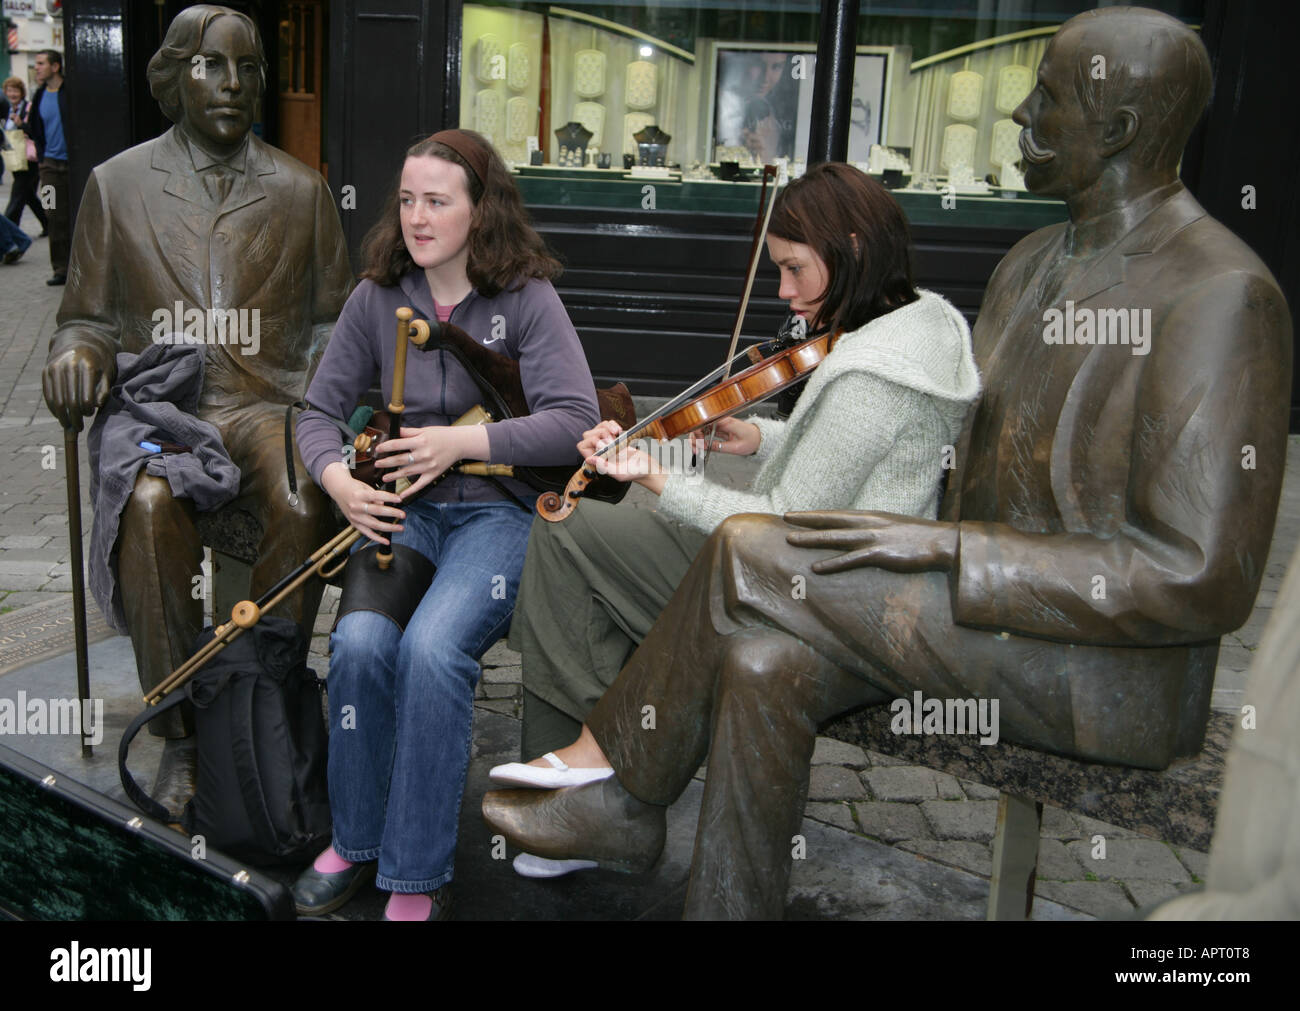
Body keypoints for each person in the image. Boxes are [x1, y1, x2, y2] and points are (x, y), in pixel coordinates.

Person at [481, 7, 1293, 919]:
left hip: (1101, 661)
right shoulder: (1027, 262)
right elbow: (953, 448)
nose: (1018, 115)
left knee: (755, 548)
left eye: (1047, 98)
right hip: (975, 607)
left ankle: (620, 786)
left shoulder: (1223, 294)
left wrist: (946, 551)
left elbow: (1203, 576)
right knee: (758, 659)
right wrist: (786, 445)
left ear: (1119, 130)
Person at [495, 161, 981, 878]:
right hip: (827, 567)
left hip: (810, 590)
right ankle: (583, 783)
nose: (782, 291)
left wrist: (658, 477)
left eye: (794, 269)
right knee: (576, 527)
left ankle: (592, 784)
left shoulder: (873, 372)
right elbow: (859, 456)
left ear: (850, 245)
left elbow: (777, 521)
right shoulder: (919, 320)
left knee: (571, 529)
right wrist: (761, 437)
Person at [42, 5, 353, 812]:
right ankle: (182, 730)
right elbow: (84, 318)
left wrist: (327, 384)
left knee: (303, 491)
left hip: (263, 404)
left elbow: (332, 321)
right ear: (175, 77)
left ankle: (262, 701)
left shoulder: (301, 190)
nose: (231, 84)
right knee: (146, 505)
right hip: (158, 407)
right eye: (211, 65)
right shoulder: (117, 185)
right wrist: (76, 357)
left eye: (247, 69)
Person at [288, 128, 601, 921]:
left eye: (438, 200)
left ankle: (418, 871)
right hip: (405, 511)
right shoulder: (376, 296)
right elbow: (318, 412)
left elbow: (575, 420)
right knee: (359, 645)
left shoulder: (527, 297)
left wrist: (461, 441)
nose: (417, 217)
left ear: (480, 209)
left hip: (498, 517)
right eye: (406, 199)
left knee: (432, 650)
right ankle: (355, 841)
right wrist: (338, 483)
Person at [26, 50, 69, 285]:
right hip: (49, 167)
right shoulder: (40, 94)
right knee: (53, 215)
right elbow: (34, 127)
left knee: (76, 215)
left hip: (72, 165)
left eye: (41, 63)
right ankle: (60, 268)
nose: (37, 67)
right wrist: (42, 157)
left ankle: (78, 267)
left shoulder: (69, 92)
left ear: (55, 66)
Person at [4, 77, 49, 234]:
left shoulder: (29, 108)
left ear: (22, 92)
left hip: (29, 159)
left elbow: (35, 131)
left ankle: (9, 234)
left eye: (15, 90)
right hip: (14, 158)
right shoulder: (6, 110)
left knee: (17, 197)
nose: (12, 94)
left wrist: (21, 125)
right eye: (9, 90)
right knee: (28, 195)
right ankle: (49, 224)